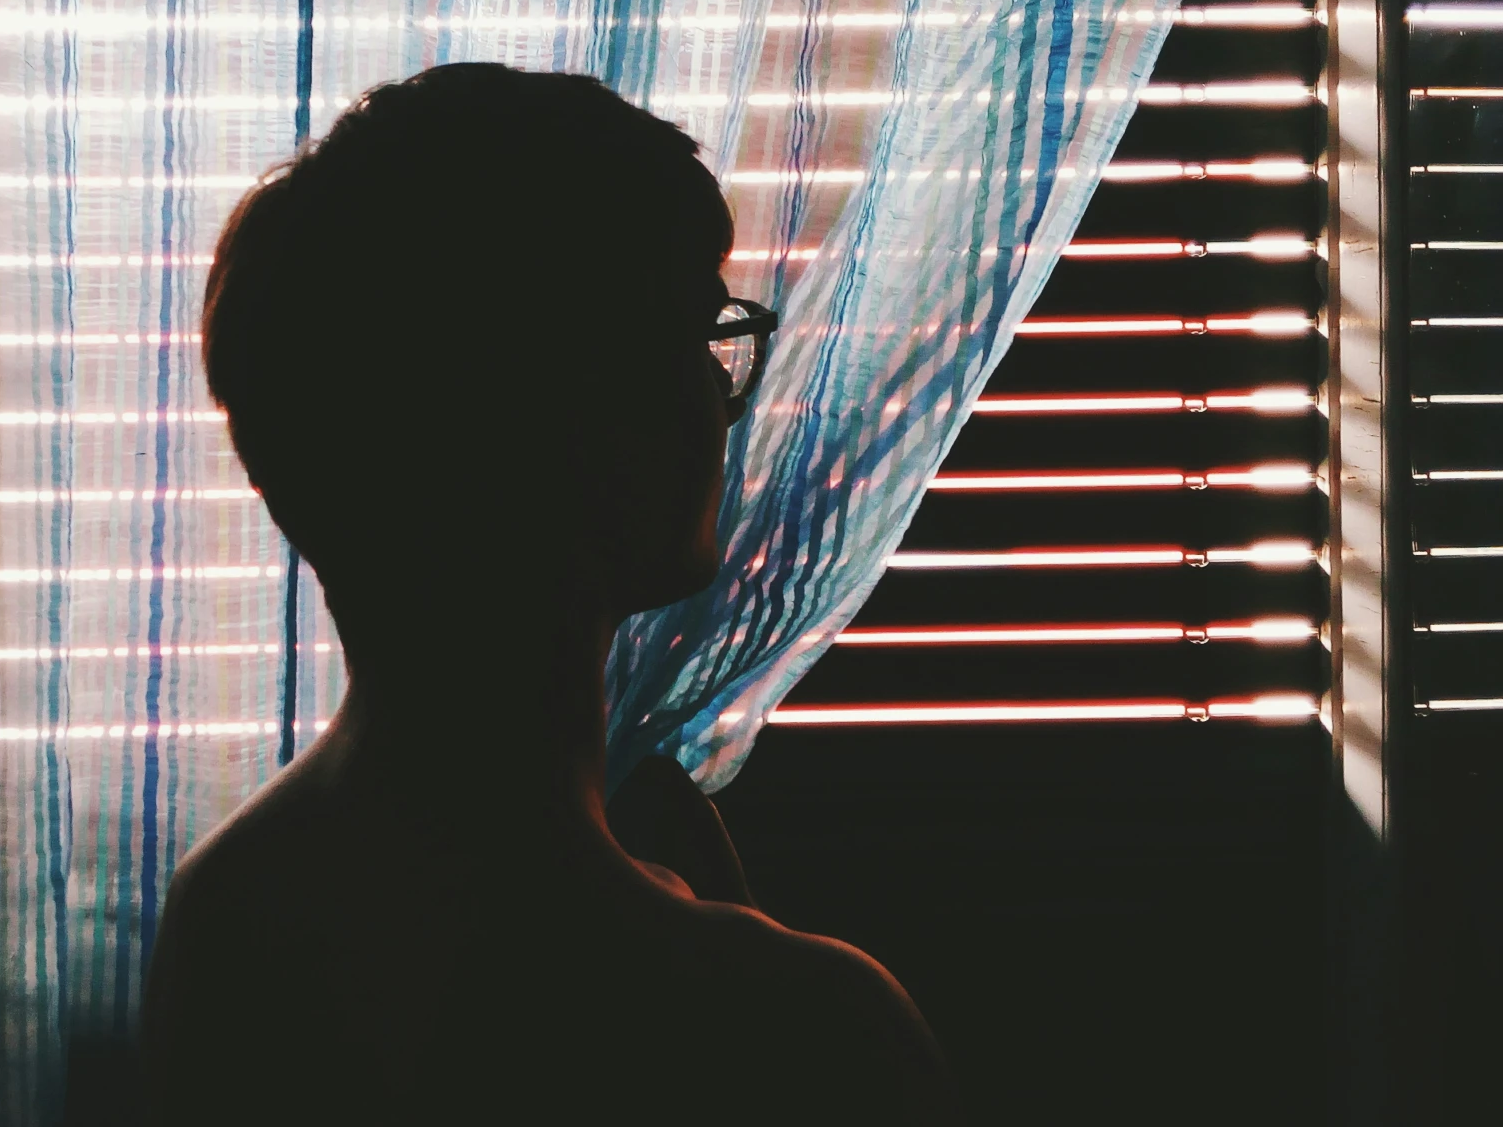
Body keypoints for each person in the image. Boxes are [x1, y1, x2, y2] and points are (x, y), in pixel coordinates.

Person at [140, 64, 954, 1124]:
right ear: (565, 417)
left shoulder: (230, 912)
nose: (719, 388)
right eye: (689, 332)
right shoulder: (804, 1022)